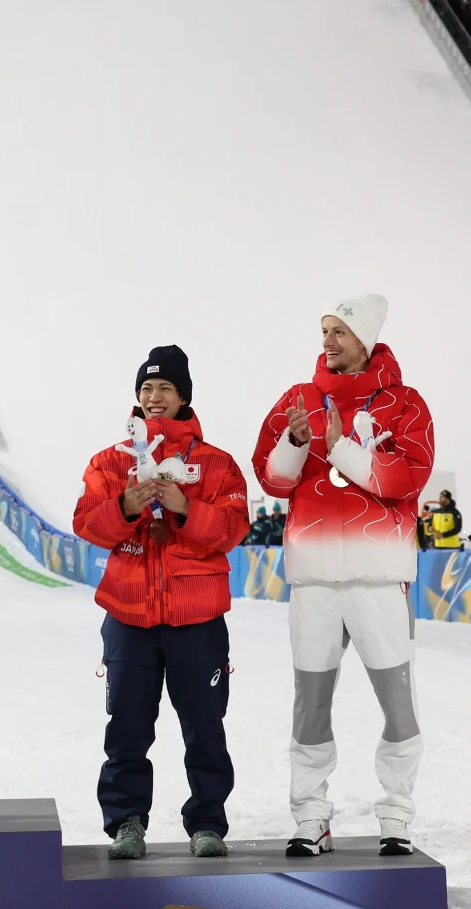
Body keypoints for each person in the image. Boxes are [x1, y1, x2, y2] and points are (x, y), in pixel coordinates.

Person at [252, 294, 433, 858]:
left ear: (366, 340)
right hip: (315, 581)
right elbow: (272, 479)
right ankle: (311, 817)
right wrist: (295, 443)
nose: (327, 341)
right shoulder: (297, 399)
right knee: (310, 705)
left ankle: (397, 815)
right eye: (324, 330)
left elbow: (406, 478)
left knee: (398, 707)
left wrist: (340, 450)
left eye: (339, 332)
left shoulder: (406, 404)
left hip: (379, 578)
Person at [73, 346, 249, 861]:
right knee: (126, 727)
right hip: (128, 616)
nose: (154, 398)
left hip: (198, 619)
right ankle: (127, 821)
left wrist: (185, 507)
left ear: (183, 396)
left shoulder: (216, 464)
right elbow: (86, 523)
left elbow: (232, 530)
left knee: (205, 726)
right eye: (147, 389)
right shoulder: (110, 461)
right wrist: (128, 504)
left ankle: (208, 824)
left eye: (165, 389)